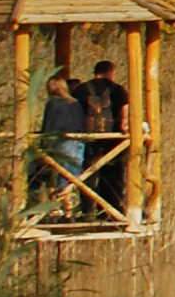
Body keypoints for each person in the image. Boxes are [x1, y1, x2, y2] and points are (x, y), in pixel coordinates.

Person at [34, 71, 88, 220]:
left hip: (60, 144)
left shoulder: (53, 103)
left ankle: (55, 211)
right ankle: (69, 212)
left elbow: (49, 127)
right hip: (77, 145)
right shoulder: (76, 103)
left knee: (54, 177)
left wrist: (42, 145)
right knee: (69, 180)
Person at [82, 57, 131, 217]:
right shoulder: (118, 90)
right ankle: (111, 211)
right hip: (113, 141)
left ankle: (87, 211)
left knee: (87, 175)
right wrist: (124, 126)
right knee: (113, 176)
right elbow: (125, 115)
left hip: (88, 140)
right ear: (111, 72)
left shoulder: (81, 89)